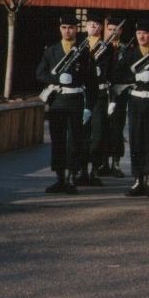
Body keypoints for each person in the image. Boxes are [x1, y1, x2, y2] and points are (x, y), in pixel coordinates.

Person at [35, 14, 92, 194]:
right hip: (58, 101)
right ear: (60, 29)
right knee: (58, 140)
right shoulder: (51, 51)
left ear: (77, 29)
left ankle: (71, 178)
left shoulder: (84, 52)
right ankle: (59, 178)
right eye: (64, 27)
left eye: (71, 27)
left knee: (74, 140)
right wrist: (56, 78)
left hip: (76, 100)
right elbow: (40, 74)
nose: (68, 31)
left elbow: (92, 81)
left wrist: (89, 106)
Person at [114, 16, 149, 198]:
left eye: (145, 33)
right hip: (136, 102)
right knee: (136, 140)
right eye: (138, 33)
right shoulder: (130, 55)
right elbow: (117, 76)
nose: (141, 37)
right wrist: (134, 79)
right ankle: (138, 179)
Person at [82, 15, 126, 181]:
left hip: (108, 93)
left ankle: (108, 165)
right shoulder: (81, 45)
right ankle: (86, 168)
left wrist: (114, 97)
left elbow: (114, 72)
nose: (113, 32)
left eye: (97, 24)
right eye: (90, 24)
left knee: (112, 130)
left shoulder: (115, 48)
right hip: (85, 93)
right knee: (87, 133)